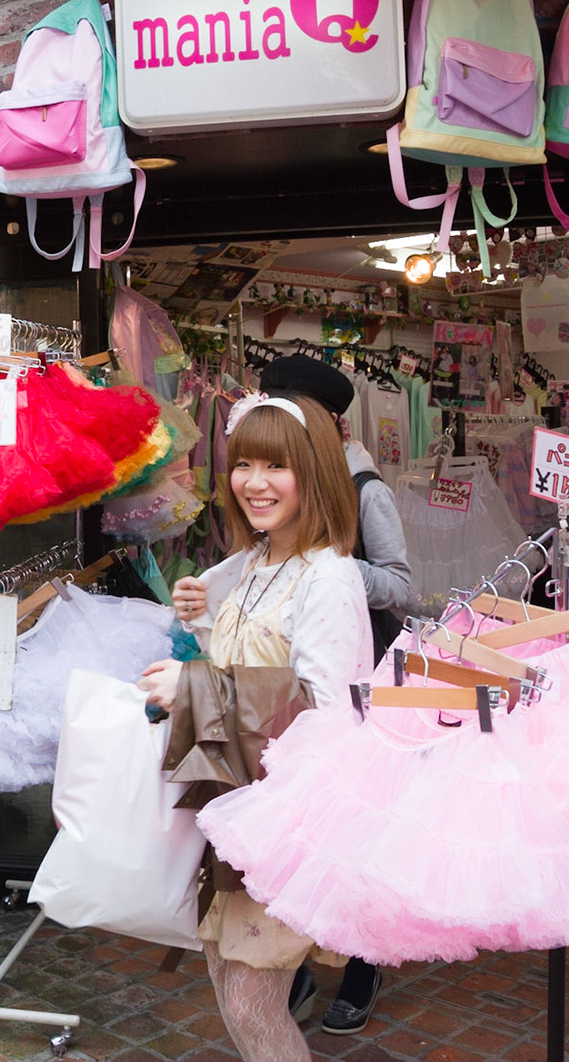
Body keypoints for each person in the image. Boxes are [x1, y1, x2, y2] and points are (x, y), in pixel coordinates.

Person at [141, 395, 373, 1062]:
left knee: (251, 998)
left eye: (277, 464)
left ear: (313, 471)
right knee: (228, 982)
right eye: (243, 463)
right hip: (238, 805)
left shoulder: (328, 578)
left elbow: (327, 710)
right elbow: (224, 661)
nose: (254, 481)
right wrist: (180, 679)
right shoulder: (251, 564)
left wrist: (196, 690)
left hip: (288, 821)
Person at [256, 355, 411, 1033]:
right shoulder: (281, 482)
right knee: (295, 823)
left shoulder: (366, 487)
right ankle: (293, 968)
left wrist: (334, 570)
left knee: (353, 822)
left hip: (359, 676)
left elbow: (402, 585)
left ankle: (361, 963)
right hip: (292, 672)